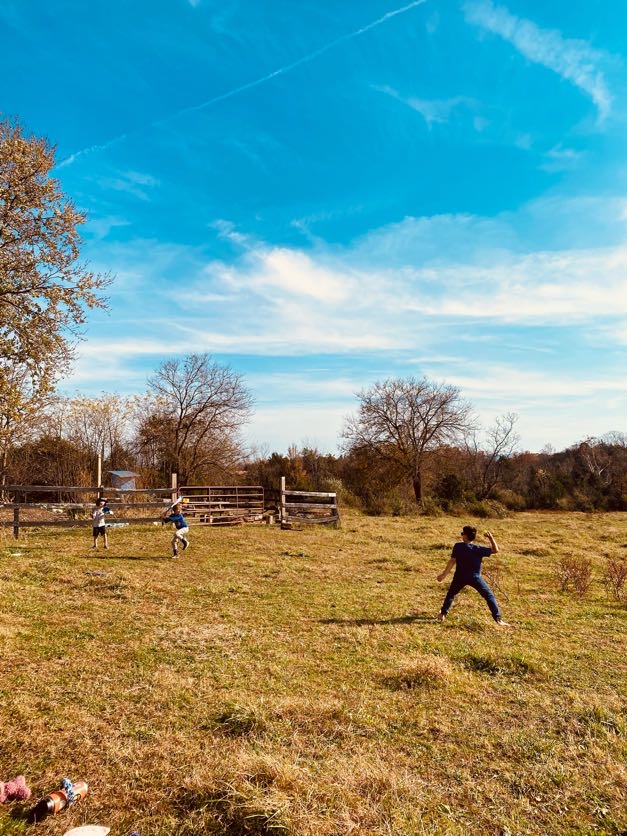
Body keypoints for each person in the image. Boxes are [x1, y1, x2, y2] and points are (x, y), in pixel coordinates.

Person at [437, 525, 508, 625]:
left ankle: (442, 614)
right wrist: (491, 538)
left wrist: (443, 575)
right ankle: (498, 619)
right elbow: (495, 550)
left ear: (465, 536)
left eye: (462, 533)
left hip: (459, 577)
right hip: (475, 577)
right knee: (489, 596)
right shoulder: (478, 549)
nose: (462, 535)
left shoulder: (458, 546)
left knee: (451, 594)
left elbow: (452, 561)